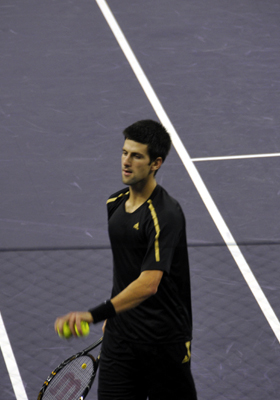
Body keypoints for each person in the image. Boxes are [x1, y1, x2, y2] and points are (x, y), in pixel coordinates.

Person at [54, 119, 197, 400]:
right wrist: (116, 314)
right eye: (124, 153)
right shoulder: (115, 204)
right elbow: (126, 268)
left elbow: (149, 283)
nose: (126, 161)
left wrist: (96, 314)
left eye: (136, 156)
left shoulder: (165, 215)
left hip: (163, 343)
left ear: (156, 163)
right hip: (120, 339)